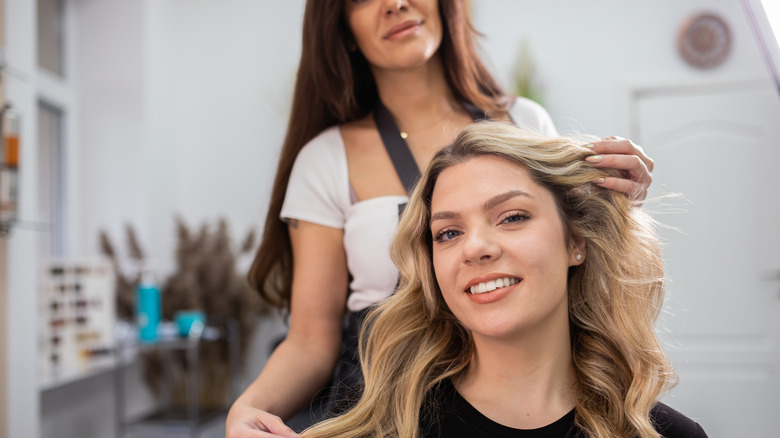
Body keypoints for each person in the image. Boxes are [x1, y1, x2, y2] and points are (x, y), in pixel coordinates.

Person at [226, 1, 654, 436]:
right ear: (345, 32)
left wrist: (619, 210)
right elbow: (310, 340)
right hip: (381, 405)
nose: (395, 4)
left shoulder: (523, 120)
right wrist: (246, 410)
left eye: (510, 216)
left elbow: (563, 254)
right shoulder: (325, 159)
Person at [299, 121, 707, 438]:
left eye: (512, 217)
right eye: (448, 233)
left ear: (575, 242)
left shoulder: (669, 434)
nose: (474, 248)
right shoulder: (382, 428)